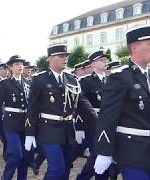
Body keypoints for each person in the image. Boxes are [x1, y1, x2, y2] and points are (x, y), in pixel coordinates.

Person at [94, 24, 150, 180]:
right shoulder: (120, 77)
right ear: (135, 47)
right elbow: (107, 118)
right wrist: (104, 152)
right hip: (132, 152)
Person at [24, 44, 97, 180]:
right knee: (56, 169)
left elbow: (82, 104)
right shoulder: (40, 80)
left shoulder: (72, 80)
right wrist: (29, 133)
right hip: (48, 131)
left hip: (68, 130)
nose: (65, 59)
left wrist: (99, 122)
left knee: (65, 170)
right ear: (50, 59)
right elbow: (32, 109)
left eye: (66, 56)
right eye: (61, 56)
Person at [0, 55, 32, 180]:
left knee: (25, 156)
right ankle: (6, 177)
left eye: (21, 64)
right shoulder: (5, 84)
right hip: (11, 123)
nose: (20, 66)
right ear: (10, 67)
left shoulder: (28, 83)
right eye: (17, 64)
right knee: (16, 154)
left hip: (25, 123)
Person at [75, 50, 109, 180]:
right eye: (102, 60)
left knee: (106, 156)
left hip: (109, 123)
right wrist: (80, 127)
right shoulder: (85, 81)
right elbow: (82, 104)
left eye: (106, 60)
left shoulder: (111, 80)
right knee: (97, 154)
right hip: (93, 124)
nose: (105, 62)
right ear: (94, 64)